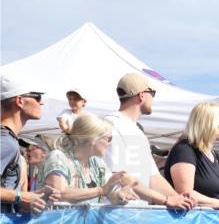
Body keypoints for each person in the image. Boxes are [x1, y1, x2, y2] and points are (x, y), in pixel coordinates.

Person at [104, 73, 196, 210]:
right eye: (152, 93)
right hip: (116, 216)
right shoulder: (110, 125)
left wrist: (180, 199)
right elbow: (121, 177)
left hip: (138, 215)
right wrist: (166, 200)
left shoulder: (136, 132)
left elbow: (153, 177)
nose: (152, 99)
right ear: (141, 95)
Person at [39, 113, 137, 205]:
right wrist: (101, 190)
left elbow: (110, 193)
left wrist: (121, 196)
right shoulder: (58, 157)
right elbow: (59, 194)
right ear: (93, 139)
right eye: (108, 138)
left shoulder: (98, 163)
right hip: (57, 222)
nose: (110, 143)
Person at [164, 102, 219, 209]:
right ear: (208, 124)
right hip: (195, 222)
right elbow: (186, 194)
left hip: (213, 220)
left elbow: (213, 192)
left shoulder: (213, 154)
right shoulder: (184, 150)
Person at [1, 75, 56, 214]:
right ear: (20, 101)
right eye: (37, 97)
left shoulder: (9, 139)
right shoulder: (6, 141)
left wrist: (32, 199)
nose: (41, 102)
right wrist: (21, 197)